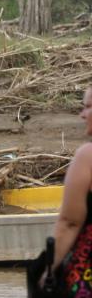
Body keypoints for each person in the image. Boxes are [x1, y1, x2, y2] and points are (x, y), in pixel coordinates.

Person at [53, 87, 92, 269]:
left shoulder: (87, 157)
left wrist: (48, 271)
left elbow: (69, 223)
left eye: (88, 107)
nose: (82, 115)